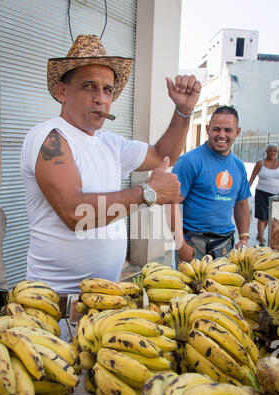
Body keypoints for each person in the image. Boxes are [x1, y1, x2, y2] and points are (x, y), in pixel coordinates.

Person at [20, 34, 201, 294]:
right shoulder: (49, 138)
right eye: (88, 86)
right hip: (53, 303)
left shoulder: (111, 144)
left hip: (104, 296)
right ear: (62, 91)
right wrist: (147, 193)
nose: (100, 98)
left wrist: (183, 111)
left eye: (107, 90)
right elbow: (75, 213)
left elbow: (164, 154)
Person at [170, 105, 251, 264]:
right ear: (207, 129)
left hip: (224, 246)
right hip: (193, 245)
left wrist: (244, 238)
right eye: (216, 129)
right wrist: (181, 246)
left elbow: (242, 203)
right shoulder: (189, 162)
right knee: (190, 289)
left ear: (237, 132)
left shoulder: (238, 166)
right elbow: (172, 204)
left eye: (228, 130)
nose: (222, 135)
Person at [248, 143, 279, 246]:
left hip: (275, 194)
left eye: (274, 151)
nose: (272, 153)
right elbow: (252, 178)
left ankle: (259, 234)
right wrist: (245, 190)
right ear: (266, 152)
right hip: (261, 193)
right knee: (262, 217)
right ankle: (261, 240)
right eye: (270, 150)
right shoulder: (260, 163)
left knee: (269, 218)